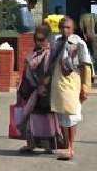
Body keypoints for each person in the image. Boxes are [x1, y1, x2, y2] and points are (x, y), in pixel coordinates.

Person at [50, 17, 93, 161]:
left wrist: (86, 86)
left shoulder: (79, 43)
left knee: (71, 115)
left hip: (73, 82)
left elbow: (86, 65)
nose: (65, 30)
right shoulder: (56, 42)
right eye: (62, 27)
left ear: (73, 29)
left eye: (68, 27)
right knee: (62, 114)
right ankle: (65, 144)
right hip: (58, 82)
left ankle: (71, 147)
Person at [18, 25, 64, 154]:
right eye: (36, 39)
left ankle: (50, 145)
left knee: (48, 118)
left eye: (42, 39)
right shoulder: (33, 54)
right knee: (31, 118)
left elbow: (52, 72)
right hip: (32, 90)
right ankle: (31, 144)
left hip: (47, 92)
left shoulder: (52, 54)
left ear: (48, 38)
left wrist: (44, 85)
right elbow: (27, 72)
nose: (39, 42)